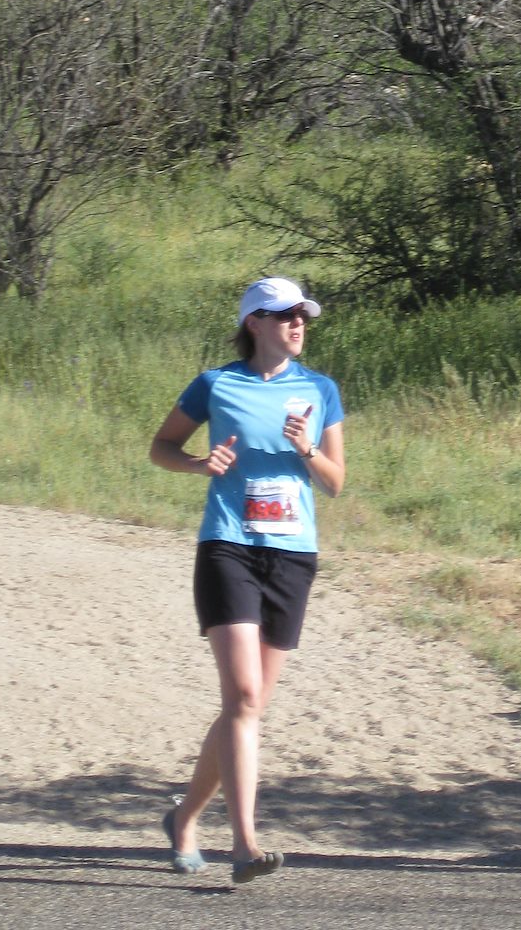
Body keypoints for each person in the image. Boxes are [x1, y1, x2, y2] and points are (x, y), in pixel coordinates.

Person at [150, 276, 345, 884]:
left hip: (292, 555)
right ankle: (245, 845)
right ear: (254, 323)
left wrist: (308, 450)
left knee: (249, 704)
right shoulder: (216, 383)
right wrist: (196, 463)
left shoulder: (320, 389)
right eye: (285, 315)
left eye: (303, 316)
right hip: (228, 547)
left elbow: (336, 482)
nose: (298, 324)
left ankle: (184, 818)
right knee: (241, 698)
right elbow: (161, 447)